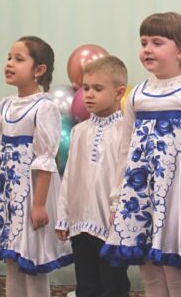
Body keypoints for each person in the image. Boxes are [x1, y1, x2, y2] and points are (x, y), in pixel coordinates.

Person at [101, 12, 181, 297]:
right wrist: (117, 200)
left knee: (178, 279)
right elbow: (125, 150)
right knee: (150, 276)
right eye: (144, 43)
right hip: (140, 196)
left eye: (157, 43)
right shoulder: (137, 94)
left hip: (178, 199)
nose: (147, 49)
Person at [0, 36, 72, 297]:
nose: (9, 64)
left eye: (19, 59)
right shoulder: (5, 106)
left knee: (32, 261)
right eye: (9, 58)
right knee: (12, 257)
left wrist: (39, 204)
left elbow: (46, 159)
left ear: (39, 70)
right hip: (7, 193)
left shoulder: (44, 107)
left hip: (32, 194)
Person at [56, 56, 132, 297]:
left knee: (113, 285)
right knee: (86, 285)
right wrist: (63, 216)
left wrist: (122, 213)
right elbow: (69, 177)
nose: (88, 94)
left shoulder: (126, 131)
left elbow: (128, 178)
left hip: (110, 224)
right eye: (86, 88)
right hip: (80, 223)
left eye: (98, 89)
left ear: (119, 93)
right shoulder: (79, 131)